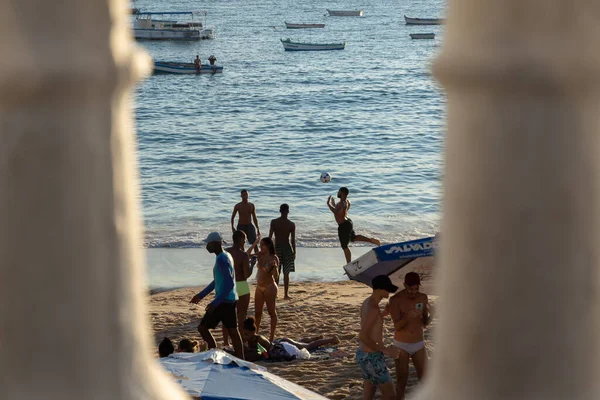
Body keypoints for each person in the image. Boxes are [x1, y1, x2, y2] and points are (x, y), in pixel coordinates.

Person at [190, 232, 244, 359]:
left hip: (223, 302)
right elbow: (217, 281)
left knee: (203, 328)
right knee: (233, 331)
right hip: (230, 299)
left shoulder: (222, 259)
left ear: (216, 243)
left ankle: (213, 353)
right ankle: (241, 358)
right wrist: (201, 295)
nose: (207, 246)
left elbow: (230, 283)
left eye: (209, 244)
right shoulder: (226, 255)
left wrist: (215, 303)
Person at [388, 272, 430, 400]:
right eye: (410, 289)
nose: (413, 292)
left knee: (425, 380)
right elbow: (397, 326)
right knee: (402, 381)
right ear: (405, 285)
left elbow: (425, 324)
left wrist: (431, 315)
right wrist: (408, 317)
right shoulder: (395, 300)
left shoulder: (423, 297)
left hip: (419, 343)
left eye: (416, 289)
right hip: (402, 345)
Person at [357, 275, 400, 400]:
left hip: (364, 354)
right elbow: (363, 336)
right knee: (391, 396)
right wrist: (384, 350)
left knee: (369, 394)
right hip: (372, 357)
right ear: (379, 289)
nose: (389, 292)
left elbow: (369, 322)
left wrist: (383, 315)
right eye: (387, 289)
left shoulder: (367, 302)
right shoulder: (373, 308)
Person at [240, 317, 340, 362]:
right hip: (280, 342)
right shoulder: (249, 339)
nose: (245, 337)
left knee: (308, 346)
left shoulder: (260, 339)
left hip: (283, 346)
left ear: (253, 332)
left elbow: (263, 353)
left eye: (246, 334)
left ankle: (331, 339)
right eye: (244, 334)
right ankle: (314, 338)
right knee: (299, 342)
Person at [327, 187, 381, 264]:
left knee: (344, 246)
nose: (337, 193)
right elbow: (342, 212)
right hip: (348, 222)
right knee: (353, 238)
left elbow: (337, 213)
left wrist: (328, 205)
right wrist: (334, 205)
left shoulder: (342, 203)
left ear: (342, 193)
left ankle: (349, 264)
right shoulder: (346, 202)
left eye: (338, 191)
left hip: (344, 225)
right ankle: (371, 240)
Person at [222, 230, 252, 346]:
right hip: (241, 285)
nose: (245, 242)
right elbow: (246, 274)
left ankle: (225, 342)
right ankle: (241, 342)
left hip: (228, 286)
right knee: (241, 316)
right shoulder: (243, 255)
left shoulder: (226, 252)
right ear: (240, 240)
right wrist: (252, 264)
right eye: (244, 240)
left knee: (226, 317)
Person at [248, 236, 279, 342]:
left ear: (269, 245)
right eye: (260, 245)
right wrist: (255, 243)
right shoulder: (260, 254)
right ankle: (255, 334)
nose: (261, 247)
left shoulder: (273, 258)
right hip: (259, 287)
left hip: (269, 287)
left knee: (271, 312)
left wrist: (261, 264)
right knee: (257, 313)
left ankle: (271, 336)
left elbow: (268, 270)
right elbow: (247, 254)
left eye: (263, 245)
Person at [269, 203, 296, 300]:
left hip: (277, 248)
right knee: (286, 272)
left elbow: (270, 238)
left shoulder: (274, 222)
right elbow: (292, 240)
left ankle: (275, 294)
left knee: (276, 272)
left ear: (280, 211)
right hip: (287, 248)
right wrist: (294, 252)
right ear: (288, 211)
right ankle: (285, 294)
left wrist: (270, 250)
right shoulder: (291, 224)